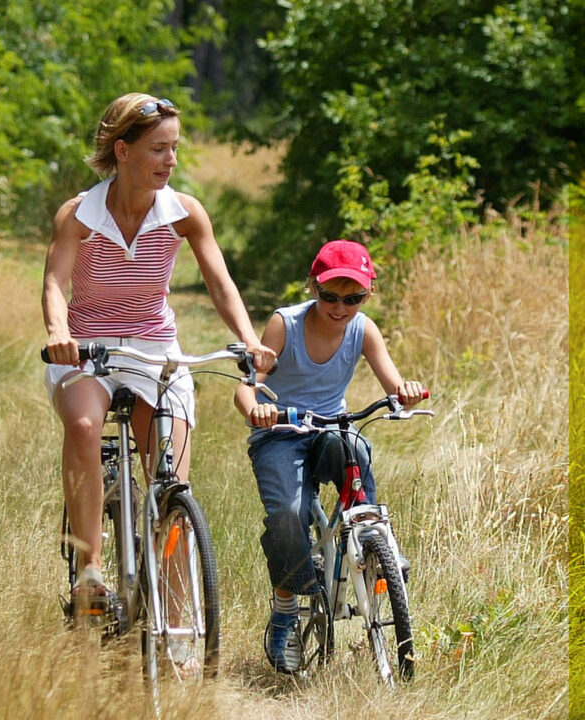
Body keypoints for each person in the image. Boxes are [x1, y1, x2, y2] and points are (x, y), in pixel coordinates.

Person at [40, 93, 273, 617]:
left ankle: (177, 621)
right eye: (158, 150)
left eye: (174, 149)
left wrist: (249, 337)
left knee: (172, 489)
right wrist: (58, 331)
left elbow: (219, 281)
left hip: (154, 349)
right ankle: (91, 571)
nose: (171, 161)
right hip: (88, 345)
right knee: (81, 425)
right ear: (122, 151)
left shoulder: (183, 213)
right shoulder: (79, 215)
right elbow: (55, 283)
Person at [235, 240, 429, 674]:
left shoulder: (364, 330)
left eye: (353, 299)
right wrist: (256, 409)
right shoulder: (284, 324)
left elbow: (393, 384)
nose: (340, 308)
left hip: (329, 430)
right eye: (330, 297)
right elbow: (246, 386)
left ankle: (371, 538)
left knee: (355, 445)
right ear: (313, 287)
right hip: (281, 434)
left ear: (367, 295)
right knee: (288, 513)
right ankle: (287, 604)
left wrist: (406, 393)